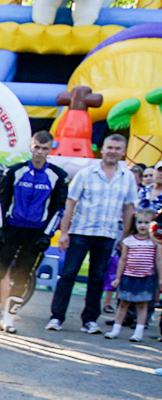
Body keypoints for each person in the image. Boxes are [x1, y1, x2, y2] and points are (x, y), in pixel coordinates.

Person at [49, 132, 139, 332]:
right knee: (68, 274)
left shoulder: (128, 178)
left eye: (117, 149)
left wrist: (125, 237)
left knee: (97, 278)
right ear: (102, 149)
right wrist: (64, 232)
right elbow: (70, 203)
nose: (113, 152)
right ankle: (57, 317)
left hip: (107, 234)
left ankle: (89, 320)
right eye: (110, 148)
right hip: (80, 232)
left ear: (123, 152)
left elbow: (128, 208)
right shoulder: (86, 173)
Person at [0, 131, 66, 334]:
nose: (39, 152)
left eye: (44, 148)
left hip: (36, 232)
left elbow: (58, 209)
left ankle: (9, 317)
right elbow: (1, 201)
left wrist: (47, 235)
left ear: (50, 149)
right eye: (36, 147)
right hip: (12, 229)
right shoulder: (15, 171)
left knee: (23, 274)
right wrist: (0, 228)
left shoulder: (57, 175)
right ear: (31, 147)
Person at [105, 209, 157, 339]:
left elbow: (159, 260)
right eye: (140, 222)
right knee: (123, 303)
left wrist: (160, 278)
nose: (142, 225)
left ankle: (138, 332)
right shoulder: (128, 241)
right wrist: (117, 277)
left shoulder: (154, 243)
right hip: (128, 276)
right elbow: (122, 260)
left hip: (146, 278)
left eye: (147, 222)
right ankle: (116, 329)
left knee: (142, 305)